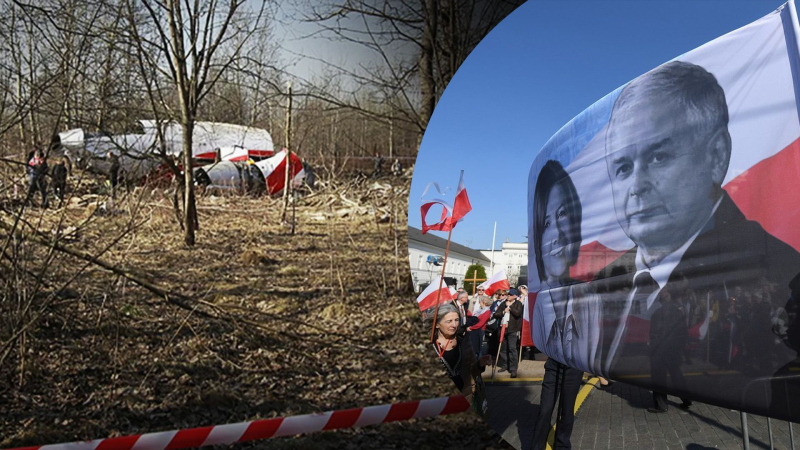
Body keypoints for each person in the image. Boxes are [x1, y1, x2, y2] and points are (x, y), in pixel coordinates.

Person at [600, 60, 800, 418]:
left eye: (659, 156)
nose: (636, 187)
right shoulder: (605, 277)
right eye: (623, 167)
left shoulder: (783, 267)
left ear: (716, 155)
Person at [531, 160, 602, 375]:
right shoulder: (538, 307)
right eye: (546, 224)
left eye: (562, 214)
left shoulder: (591, 300)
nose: (558, 235)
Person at [430, 302, 487, 404]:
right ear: (437, 324)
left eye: (456, 320)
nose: (454, 325)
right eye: (449, 321)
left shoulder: (463, 342)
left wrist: (480, 364)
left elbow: (472, 370)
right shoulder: (431, 344)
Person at [648, 289, 692, 413]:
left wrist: (653, 347)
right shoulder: (678, 313)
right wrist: (681, 348)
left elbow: (654, 334)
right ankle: (687, 399)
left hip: (660, 350)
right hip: (673, 349)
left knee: (658, 377)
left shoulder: (657, 314)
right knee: (676, 374)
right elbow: (683, 333)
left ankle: (661, 405)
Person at [493, 288, 523, 377]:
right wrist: (503, 311)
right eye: (508, 295)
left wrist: (510, 307)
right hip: (503, 328)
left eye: (510, 295)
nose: (508, 296)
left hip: (512, 329)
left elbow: (518, 314)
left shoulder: (518, 304)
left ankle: (513, 368)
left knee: (512, 349)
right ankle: (506, 364)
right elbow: (496, 314)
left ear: (514, 296)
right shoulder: (503, 303)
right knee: (502, 348)